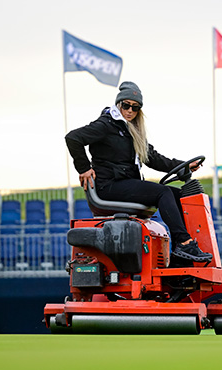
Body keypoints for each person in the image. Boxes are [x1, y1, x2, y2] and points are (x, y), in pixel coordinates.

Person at [65, 81, 213, 262]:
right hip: (108, 185)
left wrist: (184, 165)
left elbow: (153, 157)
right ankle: (183, 243)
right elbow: (73, 138)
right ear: (118, 104)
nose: (129, 110)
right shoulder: (106, 125)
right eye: (126, 105)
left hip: (124, 183)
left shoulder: (131, 130)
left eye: (135, 108)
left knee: (179, 195)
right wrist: (84, 168)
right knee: (163, 192)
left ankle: (180, 252)